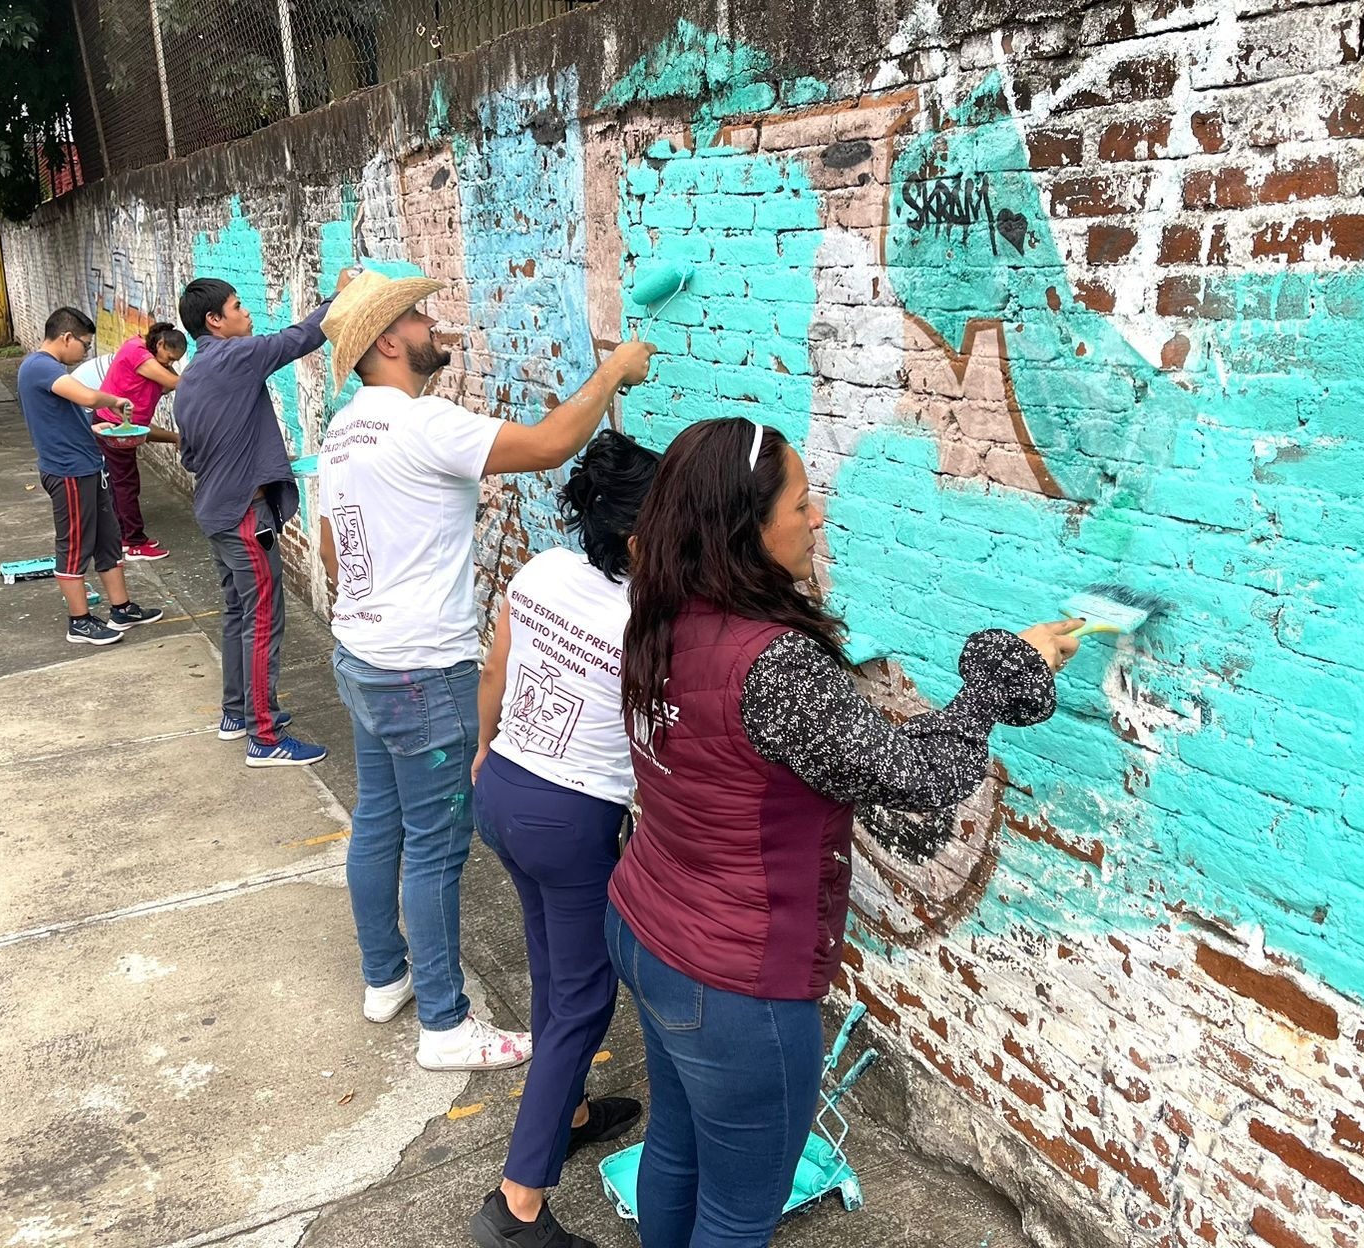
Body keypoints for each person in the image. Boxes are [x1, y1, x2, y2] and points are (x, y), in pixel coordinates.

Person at [607, 417, 1084, 1247]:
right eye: (798, 502)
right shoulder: (774, 665)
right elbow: (920, 777)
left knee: (679, 1150)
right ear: (745, 531)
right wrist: (1003, 676)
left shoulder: (660, 613)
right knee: (736, 1211)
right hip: (732, 981)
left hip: (650, 926)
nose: (816, 515)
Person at [313, 270, 656, 1079]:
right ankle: (444, 1022)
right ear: (388, 341)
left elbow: (331, 550)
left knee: (379, 821)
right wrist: (612, 372)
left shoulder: (345, 429)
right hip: (423, 672)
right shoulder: (421, 421)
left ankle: (383, 978)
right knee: (435, 849)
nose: (437, 324)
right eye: (420, 315)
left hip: (360, 655)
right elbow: (544, 448)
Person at [468, 430, 661, 1248]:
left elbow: (495, 670)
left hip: (504, 790)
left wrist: (483, 750)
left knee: (553, 961)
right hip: (571, 818)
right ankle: (517, 1204)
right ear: (640, 537)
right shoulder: (650, 618)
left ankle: (571, 1109)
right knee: (585, 998)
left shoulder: (545, 569)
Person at [174, 268, 353, 767]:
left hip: (216, 510)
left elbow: (191, 456)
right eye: (237, 307)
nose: (246, 312)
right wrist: (340, 296)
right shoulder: (235, 356)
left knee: (237, 613)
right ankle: (265, 738)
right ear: (214, 321)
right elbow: (300, 338)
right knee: (262, 621)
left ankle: (239, 713)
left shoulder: (191, 377)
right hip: (243, 516)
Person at [15, 308, 166, 646]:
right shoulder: (40, 366)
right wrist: (115, 400)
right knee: (73, 545)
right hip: (68, 472)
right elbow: (86, 396)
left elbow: (61, 415)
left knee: (108, 541)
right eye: (84, 344)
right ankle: (79, 621)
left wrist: (94, 426)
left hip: (88, 466)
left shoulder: (49, 371)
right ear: (66, 338)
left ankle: (121, 608)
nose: (85, 351)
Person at [95, 322, 187, 562]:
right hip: (114, 427)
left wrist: (175, 437)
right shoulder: (138, 352)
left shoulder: (148, 358)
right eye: (169, 357)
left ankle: (125, 537)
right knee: (126, 484)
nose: (170, 363)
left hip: (122, 427)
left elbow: (168, 384)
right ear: (159, 344)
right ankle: (135, 543)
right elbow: (179, 383)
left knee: (122, 482)